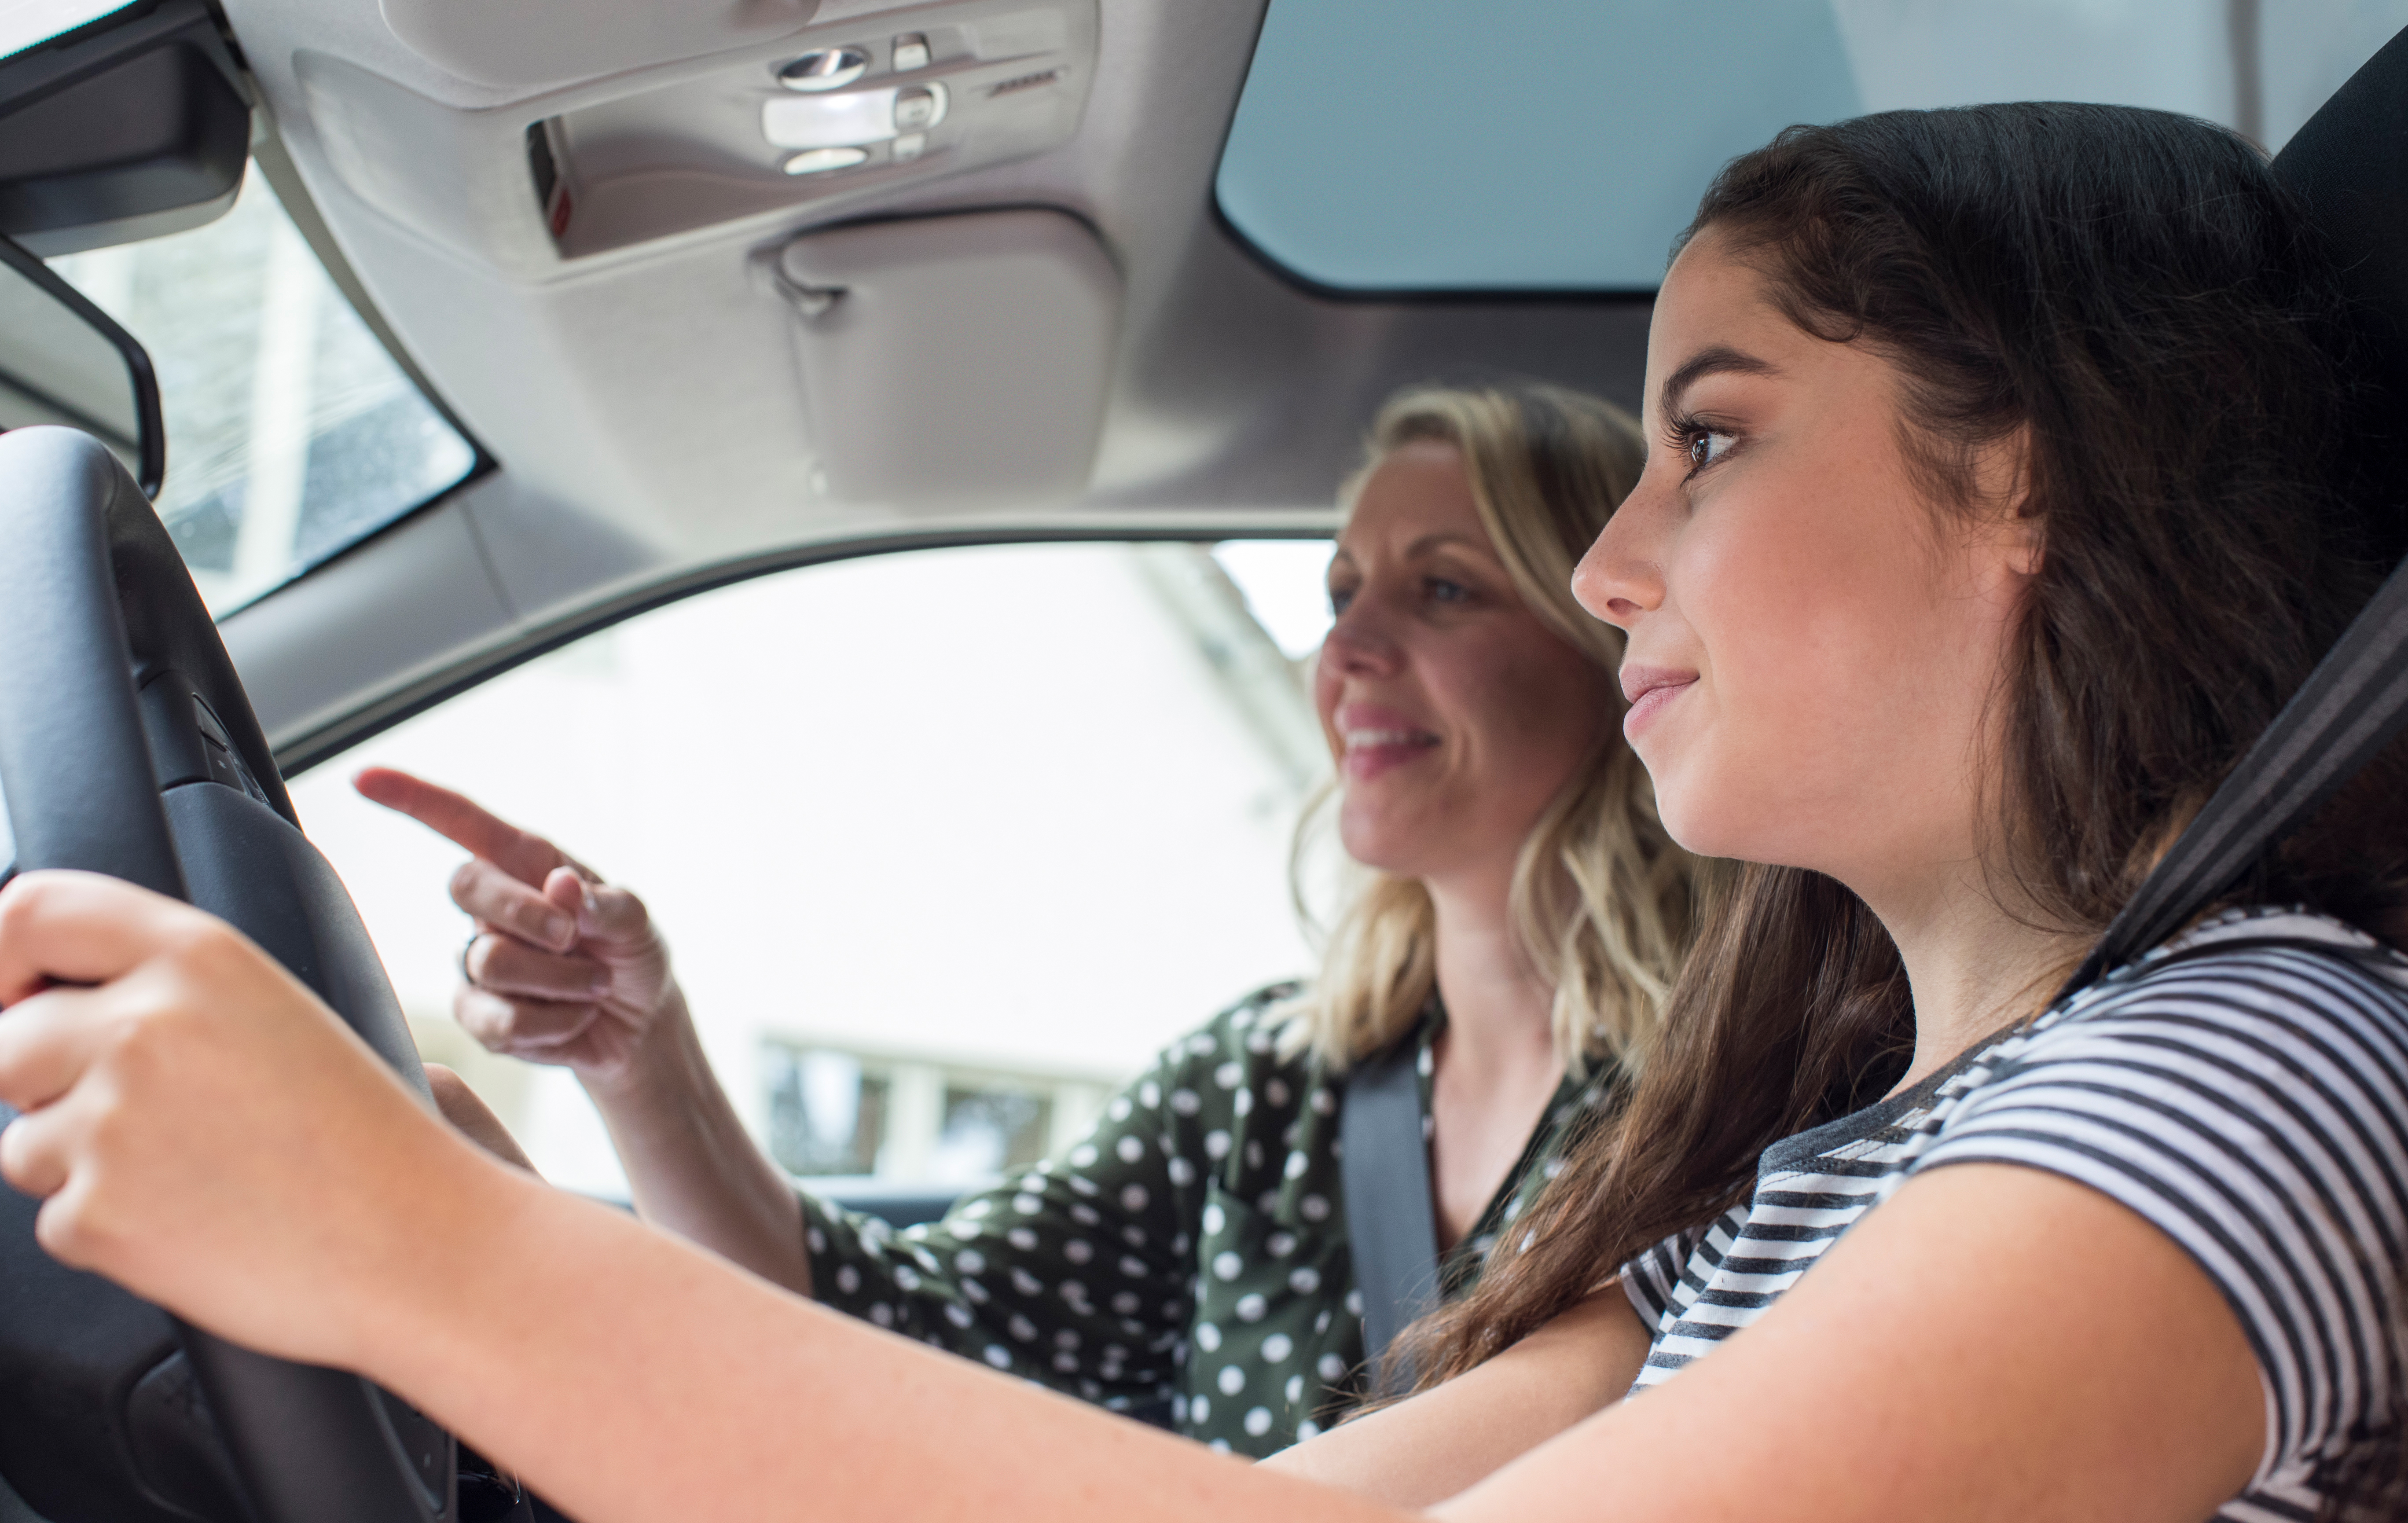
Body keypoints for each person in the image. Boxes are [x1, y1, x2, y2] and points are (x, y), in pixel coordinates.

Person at [6, 101, 2408, 1523]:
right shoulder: (1818, 1171)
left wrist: (434, 1260)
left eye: (1713, 440)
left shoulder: (2251, 1074)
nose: (1617, 563)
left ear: (2027, 488)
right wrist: (472, 1234)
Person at [346, 380, 1701, 1452]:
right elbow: (896, 1339)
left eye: (1443, 586)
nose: (1343, 651)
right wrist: (642, 1062)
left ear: (1612, 646)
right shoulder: (1268, 1088)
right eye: (1341, 593)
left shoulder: (1725, 1109)